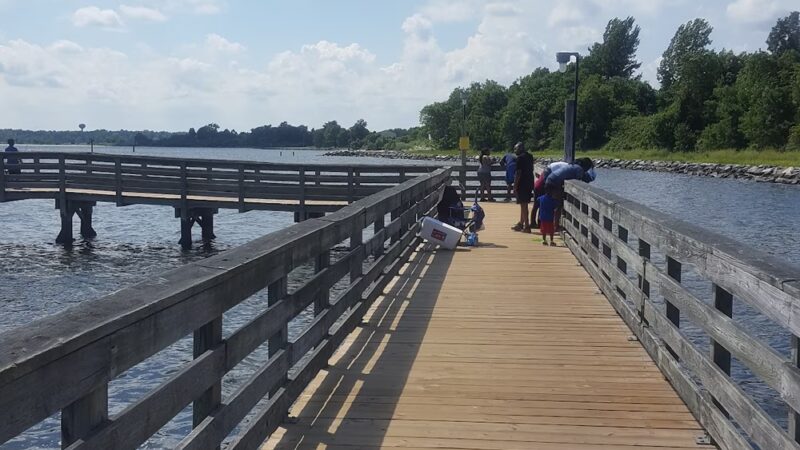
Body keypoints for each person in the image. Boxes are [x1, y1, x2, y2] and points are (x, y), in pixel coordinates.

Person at [511, 142, 534, 232]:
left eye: (515, 149)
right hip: (529, 182)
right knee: (524, 203)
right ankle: (521, 223)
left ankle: (527, 226)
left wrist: (515, 186)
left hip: (522, 184)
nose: (514, 151)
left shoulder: (520, 158)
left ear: (520, 149)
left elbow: (518, 173)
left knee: (523, 205)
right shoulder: (530, 156)